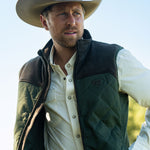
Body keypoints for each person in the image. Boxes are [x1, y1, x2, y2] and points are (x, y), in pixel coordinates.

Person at [14, 0, 150, 150]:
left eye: (76, 13)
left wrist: (142, 146)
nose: (72, 21)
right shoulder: (31, 72)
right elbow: (23, 135)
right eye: (63, 14)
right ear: (45, 22)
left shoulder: (113, 58)